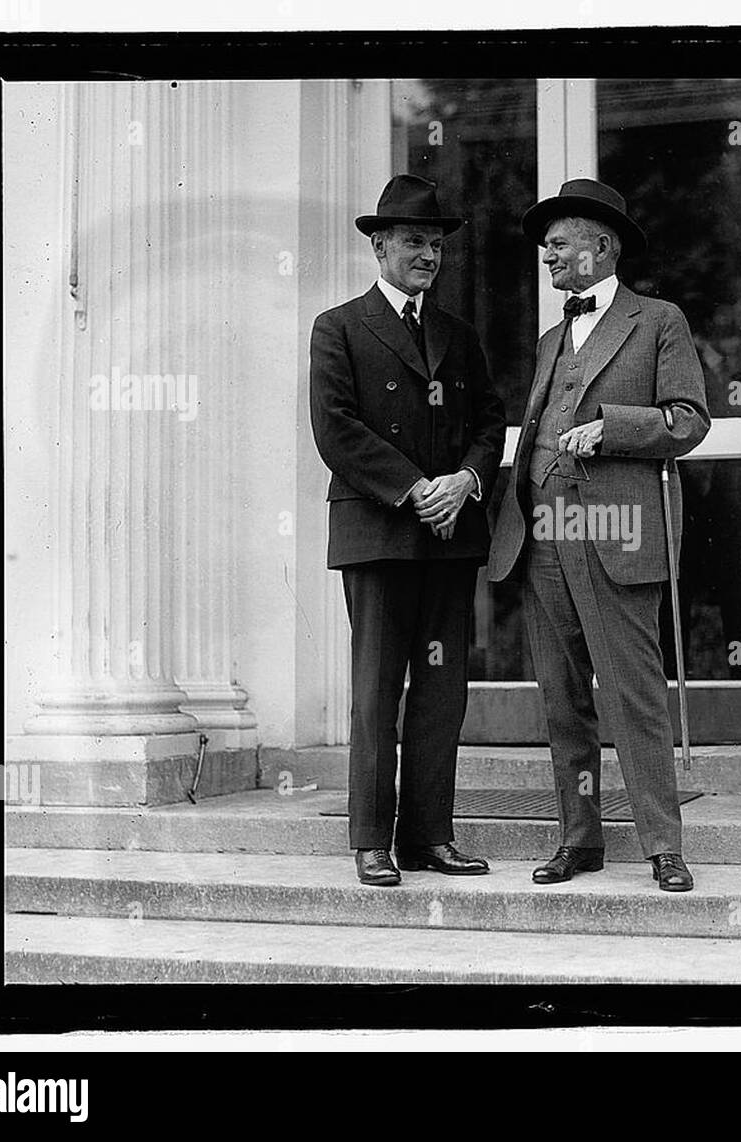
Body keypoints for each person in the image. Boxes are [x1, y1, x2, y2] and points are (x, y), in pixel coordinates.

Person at [488, 178, 710, 891]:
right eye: (545, 246)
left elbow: (688, 419)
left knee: (632, 695)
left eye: (559, 242)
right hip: (544, 531)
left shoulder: (658, 320)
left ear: (602, 247)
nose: (547, 255)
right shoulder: (552, 335)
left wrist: (614, 428)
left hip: (613, 529)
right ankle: (578, 841)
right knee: (562, 699)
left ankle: (662, 847)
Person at [309, 174, 506, 887]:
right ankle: (371, 839)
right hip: (380, 531)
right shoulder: (338, 326)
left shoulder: (456, 334)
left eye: (437, 244)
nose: (429, 254)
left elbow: (489, 421)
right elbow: (335, 430)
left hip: (448, 531)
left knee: (440, 691)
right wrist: (412, 487)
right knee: (376, 688)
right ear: (380, 245)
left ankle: (428, 837)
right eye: (415, 242)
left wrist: (466, 479)